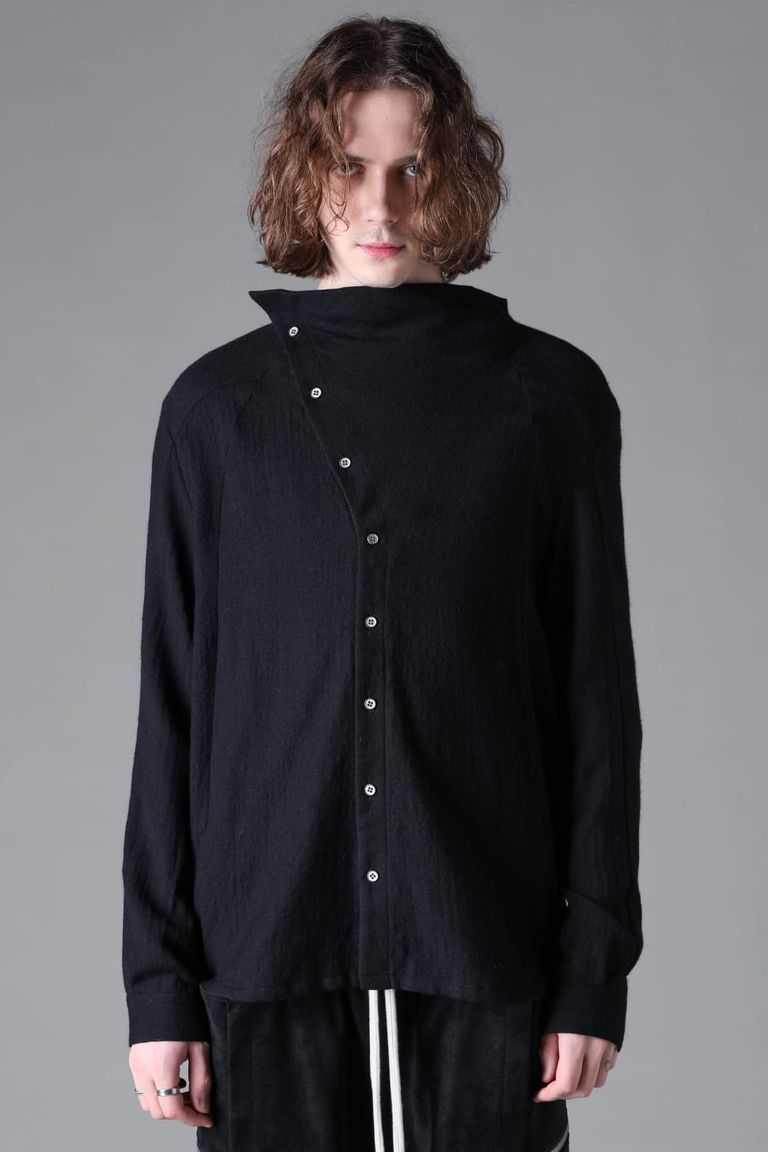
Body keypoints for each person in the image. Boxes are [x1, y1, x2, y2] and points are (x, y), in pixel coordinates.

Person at [122, 15, 643, 1152]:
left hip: (485, 958)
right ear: (302, 172)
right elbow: (174, 706)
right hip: (264, 965)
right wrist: (158, 986)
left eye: (415, 166)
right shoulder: (215, 412)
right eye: (348, 165)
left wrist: (592, 969)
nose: (381, 203)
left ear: (457, 176)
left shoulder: (550, 399)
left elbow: (597, 703)